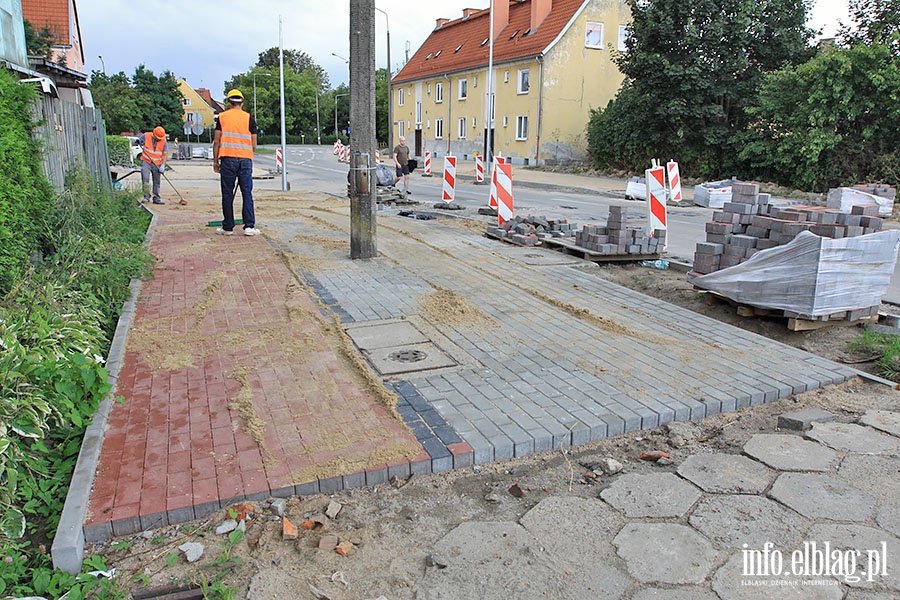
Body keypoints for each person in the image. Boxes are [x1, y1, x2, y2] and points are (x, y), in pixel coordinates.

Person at [213, 89, 260, 236]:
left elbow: (216, 141)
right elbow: (254, 144)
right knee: (247, 192)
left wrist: (215, 162)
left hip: (227, 159)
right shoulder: (249, 118)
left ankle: (228, 227)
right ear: (242, 102)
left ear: (228, 102)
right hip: (245, 160)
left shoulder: (222, 117)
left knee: (227, 193)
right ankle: (249, 227)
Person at [139, 126, 168, 204]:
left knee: (157, 181)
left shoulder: (163, 140)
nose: (159, 139)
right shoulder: (146, 136)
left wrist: (163, 165)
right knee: (145, 178)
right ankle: (146, 197)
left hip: (157, 163)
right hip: (146, 161)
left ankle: (156, 197)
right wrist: (139, 142)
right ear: (154, 134)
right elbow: (138, 141)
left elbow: (165, 154)